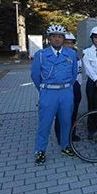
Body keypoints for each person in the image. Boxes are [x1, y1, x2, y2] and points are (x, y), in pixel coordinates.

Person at [31, 25, 78, 166]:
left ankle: (65, 146)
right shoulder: (41, 54)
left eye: (59, 36)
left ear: (64, 38)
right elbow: (34, 75)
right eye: (53, 36)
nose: (57, 39)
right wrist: (44, 90)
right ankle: (40, 150)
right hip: (48, 92)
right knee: (45, 124)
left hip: (65, 92)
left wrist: (67, 88)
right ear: (49, 38)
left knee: (66, 122)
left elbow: (74, 74)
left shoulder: (71, 54)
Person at [54, 32, 82, 144]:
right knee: (61, 113)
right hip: (61, 87)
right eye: (67, 43)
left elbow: (79, 74)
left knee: (74, 112)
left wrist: (77, 86)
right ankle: (60, 136)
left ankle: (72, 133)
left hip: (74, 86)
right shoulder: (56, 57)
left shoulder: (76, 57)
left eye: (71, 43)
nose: (69, 45)